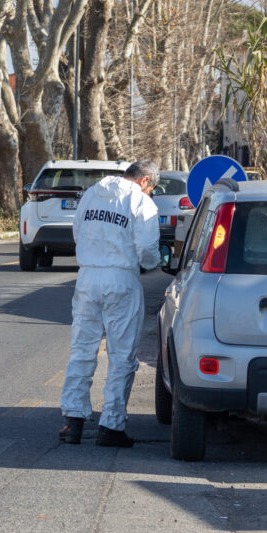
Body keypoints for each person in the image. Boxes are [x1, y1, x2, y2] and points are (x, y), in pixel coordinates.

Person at [58, 161, 161, 447]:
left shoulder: (91, 194)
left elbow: (77, 232)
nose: (150, 193)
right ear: (144, 181)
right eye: (151, 188)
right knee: (122, 354)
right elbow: (147, 249)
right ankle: (111, 425)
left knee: (82, 349)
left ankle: (73, 422)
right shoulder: (141, 202)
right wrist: (153, 263)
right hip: (121, 279)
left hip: (88, 277)